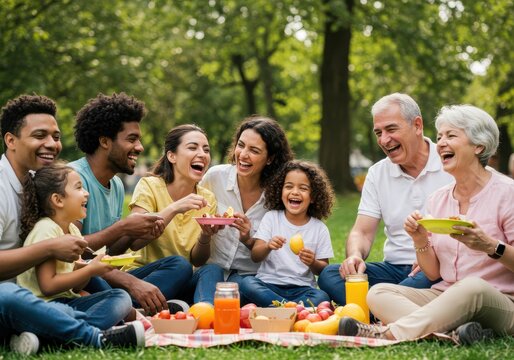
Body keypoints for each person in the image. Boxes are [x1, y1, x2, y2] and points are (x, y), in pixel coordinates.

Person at [339, 105, 514, 345]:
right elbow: (433, 273)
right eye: (440, 136)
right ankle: (454, 333)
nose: (441, 143)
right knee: (379, 293)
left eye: (451, 136)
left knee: (473, 287)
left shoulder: (507, 194)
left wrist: (490, 246)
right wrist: (420, 240)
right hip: (446, 293)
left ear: (479, 146)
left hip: (502, 301)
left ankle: (388, 333)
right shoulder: (439, 199)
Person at [0, 95, 144, 355]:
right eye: (39, 135)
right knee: (7, 295)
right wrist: (50, 248)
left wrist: (88, 267)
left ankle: (46, 334)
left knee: (111, 296)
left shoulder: (41, 183)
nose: (51, 144)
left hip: (47, 303)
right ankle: (97, 338)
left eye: (55, 136)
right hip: (12, 299)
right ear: (11, 140)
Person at [318, 93, 453, 306]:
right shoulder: (377, 173)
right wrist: (354, 256)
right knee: (330, 275)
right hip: (393, 269)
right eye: (378, 132)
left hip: (435, 267)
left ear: (417, 125)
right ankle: (389, 308)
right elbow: (361, 232)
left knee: (437, 275)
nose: (383, 140)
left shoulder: (450, 163)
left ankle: (376, 309)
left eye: (391, 129)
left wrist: (432, 258)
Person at [70, 93, 191, 316]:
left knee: (179, 265)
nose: (140, 147)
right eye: (132, 139)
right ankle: (133, 308)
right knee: (101, 283)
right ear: (105, 141)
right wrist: (123, 228)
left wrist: (138, 232)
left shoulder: (115, 184)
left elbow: (111, 250)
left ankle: (130, 309)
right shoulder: (73, 179)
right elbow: (73, 253)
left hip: (104, 274)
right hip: (81, 277)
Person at [17, 163, 133, 330]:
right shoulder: (47, 230)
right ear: (58, 200)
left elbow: (76, 287)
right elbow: (48, 286)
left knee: (119, 298)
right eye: (79, 188)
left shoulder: (72, 230)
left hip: (65, 301)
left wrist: (87, 267)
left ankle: (77, 329)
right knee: (120, 297)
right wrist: (90, 270)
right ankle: (81, 332)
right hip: (45, 306)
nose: (86, 193)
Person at [199, 115, 294, 301]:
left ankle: (289, 310)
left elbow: (279, 251)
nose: (243, 154)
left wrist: (248, 239)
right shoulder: (215, 177)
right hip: (211, 271)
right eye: (241, 145)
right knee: (210, 283)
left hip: (251, 277)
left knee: (245, 286)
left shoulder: (278, 196)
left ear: (270, 159)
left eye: (254, 150)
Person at [127, 124, 219, 304]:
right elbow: (135, 242)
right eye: (193, 147)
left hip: (181, 280)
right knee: (179, 265)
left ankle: (203, 314)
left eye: (206, 149)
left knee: (213, 270)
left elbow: (197, 259)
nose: (202, 154)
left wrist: (205, 236)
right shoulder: (150, 186)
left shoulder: (207, 198)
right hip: (146, 278)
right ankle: (136, 306)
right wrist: (174, 208)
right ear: (172, 156)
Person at [240, 160, 334, 306]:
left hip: (302, 289)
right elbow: (255, 256)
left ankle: (278, 308)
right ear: (280, 191)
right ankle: (291, 309)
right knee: (247, 284)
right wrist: (268, 246)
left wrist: (312, 262)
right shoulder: (271, 217)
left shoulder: (319, 228)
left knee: (321, 296)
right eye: (288, 186)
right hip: (268, 284)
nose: (295, 192)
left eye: (303, 188)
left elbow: (323, 270)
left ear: (314, 196)